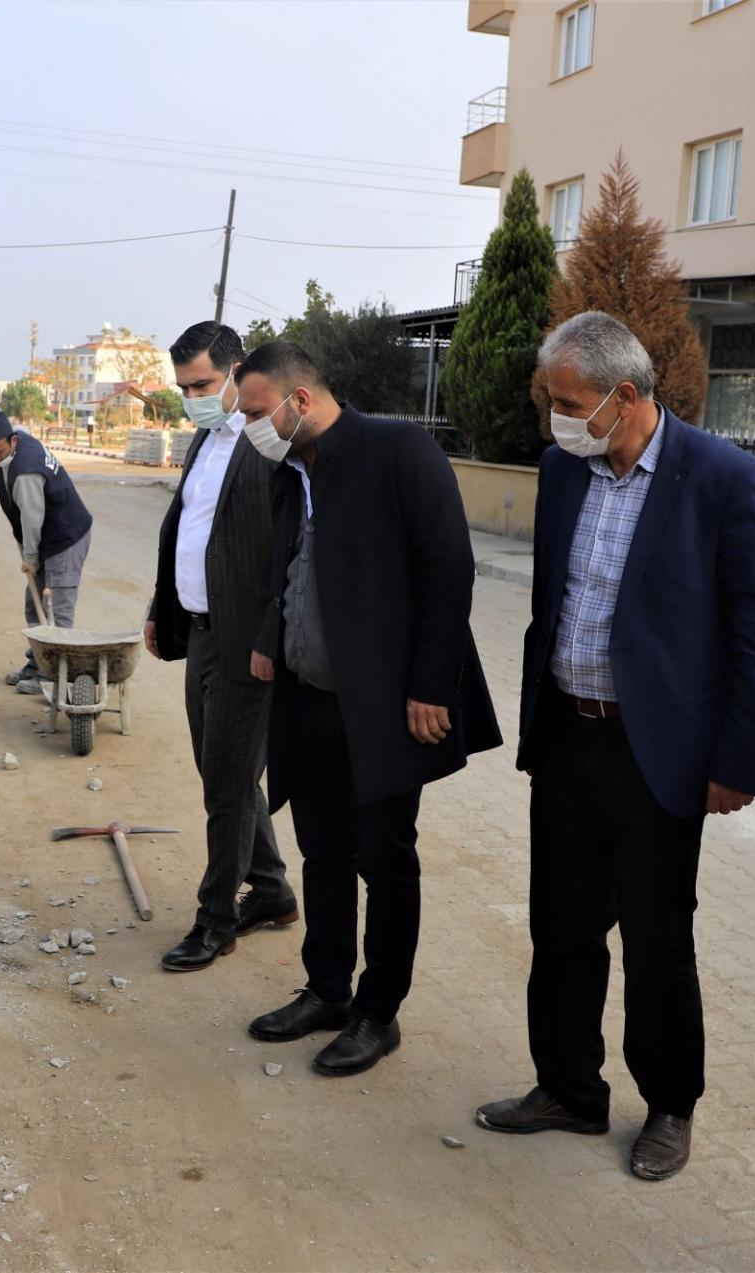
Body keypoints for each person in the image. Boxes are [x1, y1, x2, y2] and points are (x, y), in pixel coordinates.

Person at [474, 312, 755, 1182]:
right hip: (567, 737)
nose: (556, 416)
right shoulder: (562, 469)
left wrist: (738, 760)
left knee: (658, 938)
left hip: (657, 753)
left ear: (624, 396)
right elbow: (553, 598)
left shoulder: (723, 478)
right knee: (561, 928)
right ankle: (568, 1089)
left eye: (568, 400)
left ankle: (670, 1102)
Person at [236, 341, 501, 1077]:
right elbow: (290, 564)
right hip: (309, 698)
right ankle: (327, 989)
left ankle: (378, 1014)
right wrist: (270, 638)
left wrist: (432, 686)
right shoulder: (292, 469)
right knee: (323, 852)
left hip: (384, 707)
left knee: (385, 861)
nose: (249, 426)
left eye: (256, 411)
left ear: (300, 400)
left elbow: (449, 567)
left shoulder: (398, 450)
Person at [145, 322, 298, 973]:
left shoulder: (271, 443)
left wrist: (270, 636)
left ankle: (216, 921)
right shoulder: (205, 439)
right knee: (222, 773)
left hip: (247, 644)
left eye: (202, 384)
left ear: (236, 371)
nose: (193, 399)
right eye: (184, 388)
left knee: (227, 789)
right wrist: (162, 606)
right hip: (201, 631)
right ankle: (272, 891)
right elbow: (188, 527)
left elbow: (292, 548)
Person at [0, 404, 93, 694]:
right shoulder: (19, 445)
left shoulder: (26, 471)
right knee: (35, 602)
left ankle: (54, 677)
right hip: (45, 538)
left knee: (58, 607)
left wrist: (30, 557)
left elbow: (31, 520)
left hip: (66, 538)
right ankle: (39, 663)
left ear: (13, 440)